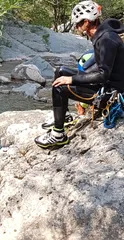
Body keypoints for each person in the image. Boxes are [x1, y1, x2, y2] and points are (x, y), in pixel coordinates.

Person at [35, 0, 124, 149]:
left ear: (87, 22)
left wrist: (72, 79)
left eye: (78, 23)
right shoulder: (103, 35)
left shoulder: (107, 40)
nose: (76, 27)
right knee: (60, 71)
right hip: (106, 84)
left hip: (111, 95)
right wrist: (75, 78)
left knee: (59, 87)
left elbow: (103, 75)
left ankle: (58, 135)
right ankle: (63, 117)